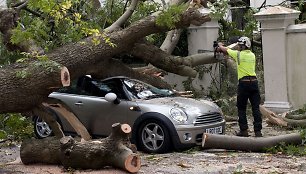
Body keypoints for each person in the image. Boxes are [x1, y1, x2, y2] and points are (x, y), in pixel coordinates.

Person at [216, 36, 263, 137]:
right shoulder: (252, 55)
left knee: (241, 108)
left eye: (240, 46)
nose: (239, 47)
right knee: (256, 108)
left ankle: (244, 130)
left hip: (244, 84)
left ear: (242, 47)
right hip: (254, 83)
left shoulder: (238, 55)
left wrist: (219, 46)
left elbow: (226, 50)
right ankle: (258, 131)